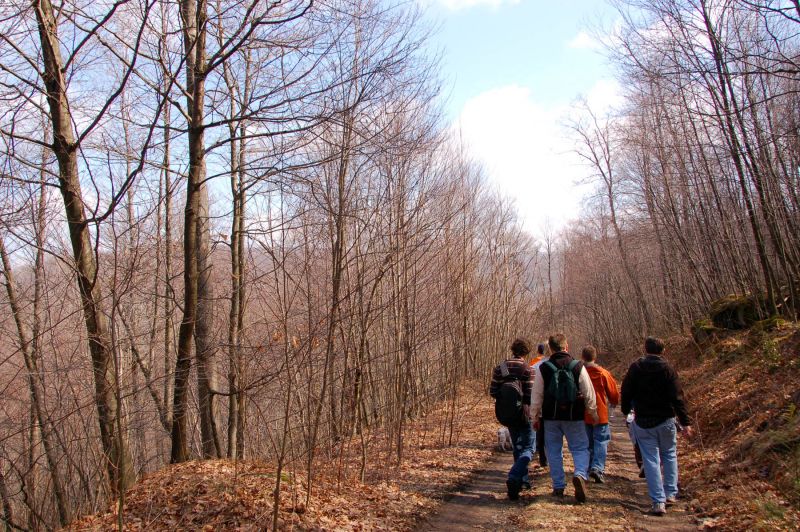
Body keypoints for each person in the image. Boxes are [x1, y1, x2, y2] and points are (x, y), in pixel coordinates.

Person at [621, 337, 694, 516]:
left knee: (650, 460)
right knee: (669, 455)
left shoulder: (636, 368)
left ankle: (658, 501)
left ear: (645, 349)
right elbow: (677, 397)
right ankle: (670, 493)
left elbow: (626, 390)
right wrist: (685, 422)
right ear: (663, 350)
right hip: (666, 419)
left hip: (643, 420)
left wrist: (626, 410)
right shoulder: (668, 369)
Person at [531, 333, 598, 503]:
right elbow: (589, 392)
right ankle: (580, 474)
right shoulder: (577, 366)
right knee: (580, 448)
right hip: (574, 415)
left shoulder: (543, 368)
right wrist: (593, 412)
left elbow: (536, 395)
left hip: (551, 416)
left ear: (550, 348)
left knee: (553, 451)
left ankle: (558, 486)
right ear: (566, 346)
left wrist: (534, 416)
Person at [490, 338, 535, 500]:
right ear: (526, 351)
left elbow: (493, 391)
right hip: (525, 414)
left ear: (512, 349)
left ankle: (522, 480)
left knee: (517, 446)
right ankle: (515, 476)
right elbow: (530, 396)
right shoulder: (528, 369)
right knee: (529, 448)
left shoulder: (501, 367)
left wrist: (506, 400)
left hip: (507, 414)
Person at [581, 345, 620, 484]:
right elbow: (614, 393)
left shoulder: (580, 373)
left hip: (584, 413)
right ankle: (597, 468)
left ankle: (588, 467)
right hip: (601, 413)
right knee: (601, 441)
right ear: (595, 357)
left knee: (588, 442)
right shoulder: (603, 373)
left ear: (582, 357)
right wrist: (614, 402)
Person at [530, 343, 548, 467]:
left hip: (539, 404)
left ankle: (541, 455)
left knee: (540, 431)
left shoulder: (534, 364)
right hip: (553, 406)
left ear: (538, 351)